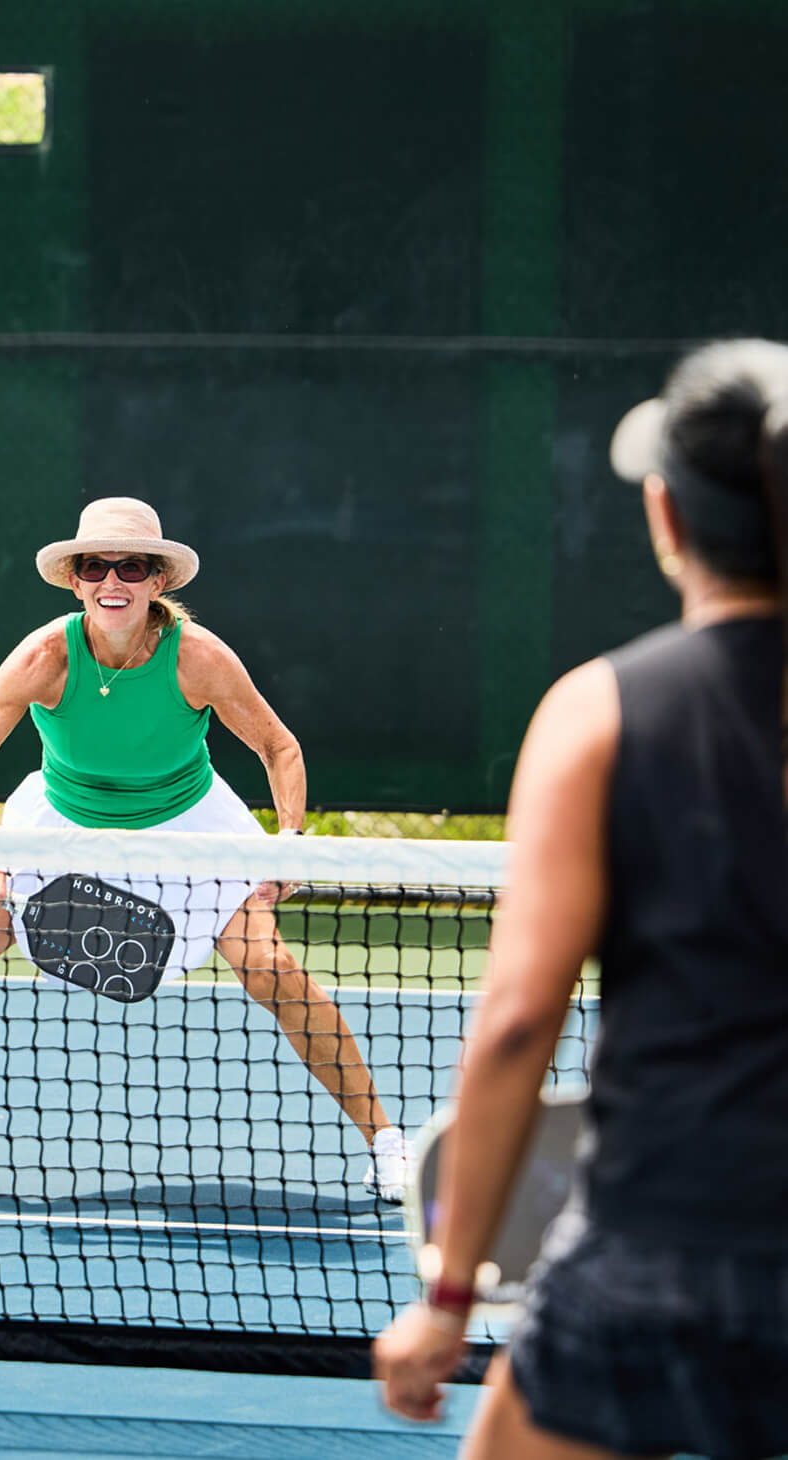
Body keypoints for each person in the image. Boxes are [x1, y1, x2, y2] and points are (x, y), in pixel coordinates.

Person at [374, 339, 788, 1459]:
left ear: (666, 515)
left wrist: (449, 1300)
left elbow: (516, 1019)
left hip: (665, 1241)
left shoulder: (598, 712)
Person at [0, 496, 408, 1199]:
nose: (113, 579)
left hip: (191, 831)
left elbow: (280, 747)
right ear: (77, 580)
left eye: (132, 566)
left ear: (158, 581)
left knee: (271, 968)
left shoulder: (199, 659)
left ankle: (388, 1143)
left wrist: (288, 841)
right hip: (63, 829)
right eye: (96, 565)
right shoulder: (45, 657)